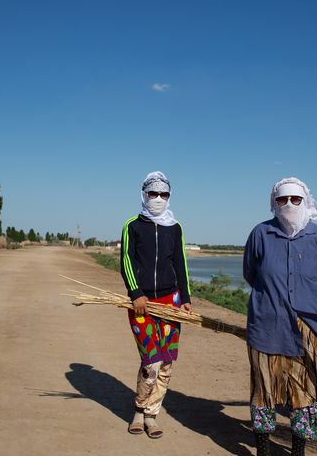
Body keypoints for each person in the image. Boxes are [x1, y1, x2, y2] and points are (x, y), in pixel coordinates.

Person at [243, 177, 317, 456]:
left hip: (306, 332)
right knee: (264, 392)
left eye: (295, 199)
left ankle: (298, 450)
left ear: (305, 201)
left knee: (304, 395)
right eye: (282, 200)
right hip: (266, 329)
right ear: (274, 203)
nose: (288, 204)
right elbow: (251, 272)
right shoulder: (261, 234)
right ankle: (263, 450)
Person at [119, 171, 192, 439]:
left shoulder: (176, 227)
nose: (158, 199)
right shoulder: (133, 225)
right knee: (151, 360)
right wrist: (135, 292)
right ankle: (139, 410)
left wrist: (185, 299)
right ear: (144, 195)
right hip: (142, 303)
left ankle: (152, 415)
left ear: (169, 197)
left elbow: (180, 264)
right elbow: (126, 261)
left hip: (171, 302)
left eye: (164, 194)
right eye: (153, 193)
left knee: (167, 362)